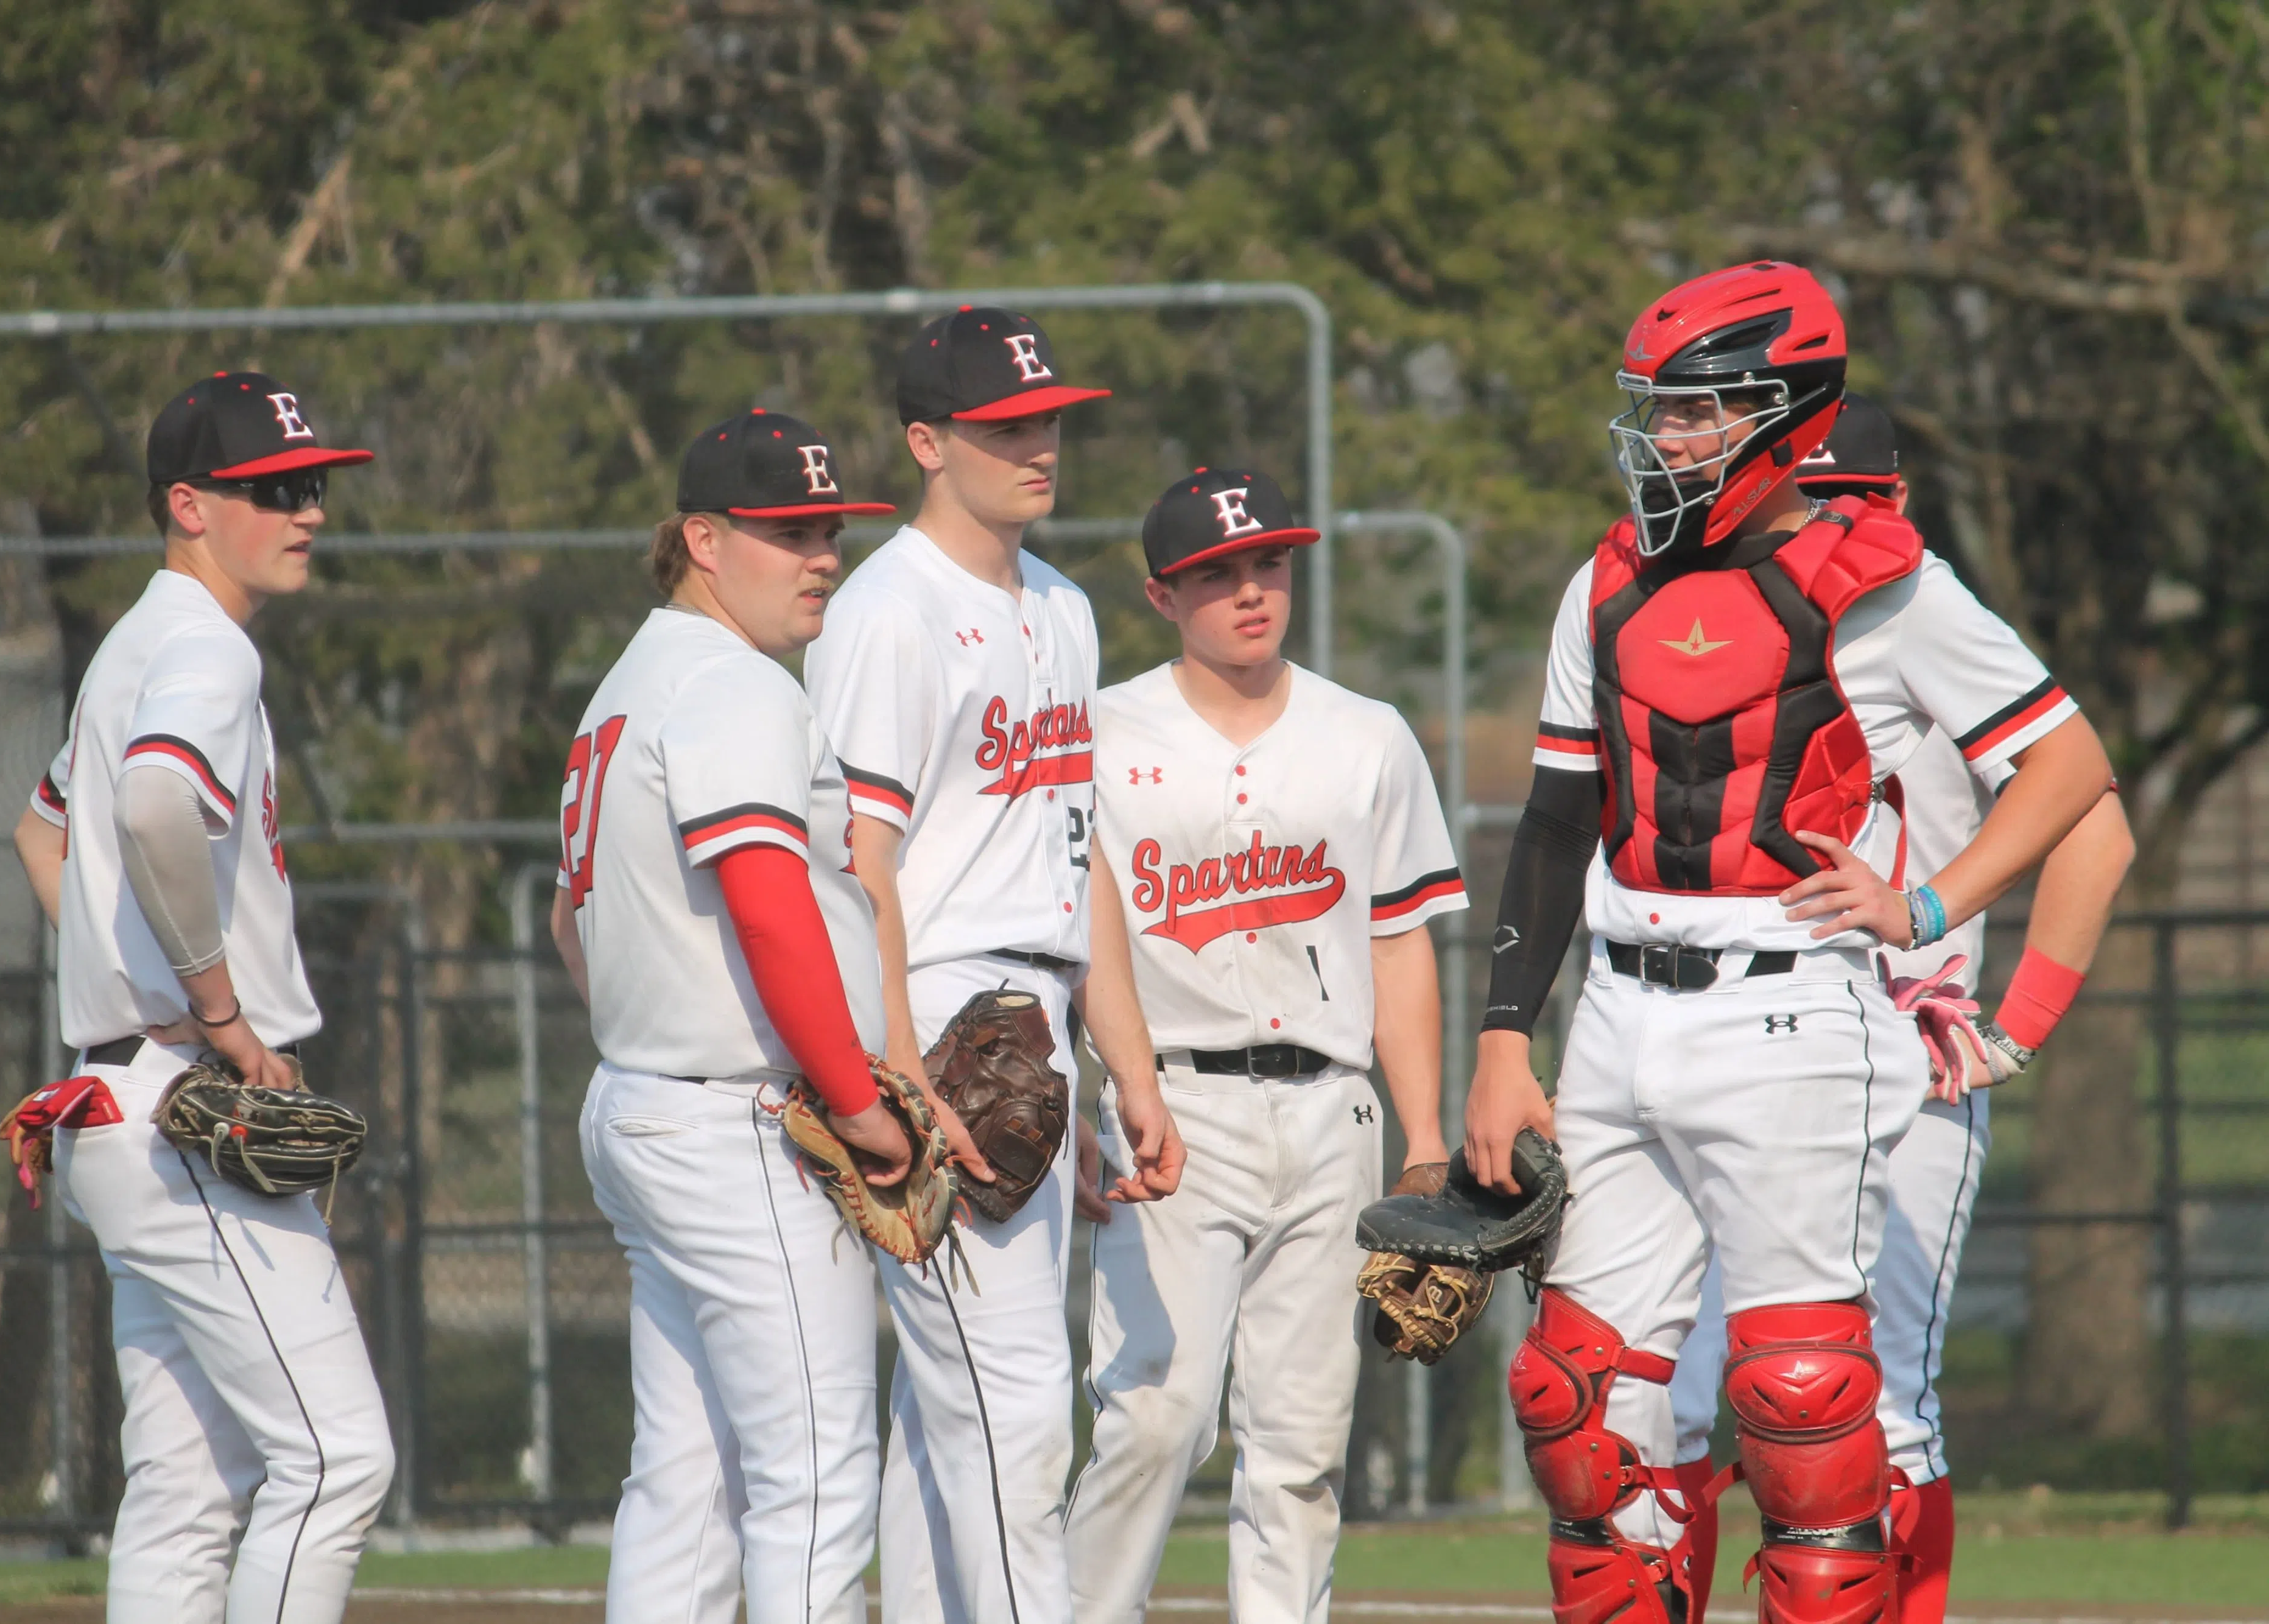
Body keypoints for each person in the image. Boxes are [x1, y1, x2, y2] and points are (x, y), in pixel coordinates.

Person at [1464, 262, 2116, 1624]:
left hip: (1789, 1014)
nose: (1666, 441)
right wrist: (1500, 1037)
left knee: (1801, 1408)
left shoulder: (1880, 579)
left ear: (1779, 415)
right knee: (1576, 1410)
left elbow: (2067, 772)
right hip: (1618, 1010)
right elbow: (1548, 821)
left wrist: (1928, 905)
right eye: (1658, 414)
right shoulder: (1605, 577)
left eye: (1695, 415)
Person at [1662, 398, 2137, 1624]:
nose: (1834, 521)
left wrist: (2013, 1025)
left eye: (1855, 496)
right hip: (1728, 1050)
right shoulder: (1714, 627)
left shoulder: (1925, 629)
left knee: (1875, 1408)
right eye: (1812, 495)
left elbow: (2097, 830)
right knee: (1663, 1388)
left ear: (1897, 505)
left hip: (1898, 1058)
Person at [804, 306, 1185, 1624]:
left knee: (945, 1414)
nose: (1038, 445)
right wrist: (897, 1073)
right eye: (1002, 427)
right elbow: (862, 862)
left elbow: (1078, 857)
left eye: (1049, 420)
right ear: (926, 442)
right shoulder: (889, 611)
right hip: (938, 1007)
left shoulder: (1065, 607)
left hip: (1036, 1011)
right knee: (1014, 1405)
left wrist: (1120, 1064)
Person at [10, 371, 394, 1624]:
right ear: (187, 504)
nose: (310, 510)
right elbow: (155, 802)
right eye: (274, 490)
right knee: (337, 1457)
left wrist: (120, 987)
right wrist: (214, 1014)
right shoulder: (204, 648)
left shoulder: (134, 643)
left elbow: (38, 832)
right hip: (181, 1103)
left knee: (187, 1485)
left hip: (121, 1098)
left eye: (315, 485)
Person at [1063, 468, 1467, 1624]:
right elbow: (1078, 945)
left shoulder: (1365, 736)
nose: (1251, 589)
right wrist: (1100, 1093)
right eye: (1217, 573)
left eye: (1270, 563)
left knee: (1300, 1440)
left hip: (1333, 1108)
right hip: (1173, 1105)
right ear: (1161, 593)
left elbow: (1401, 948)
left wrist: (1427, 1143)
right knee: (1158, 1412)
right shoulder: (1102, 732)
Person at [549, 410, 910, 1624]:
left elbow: (568, 923)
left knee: (685, 1483)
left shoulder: (629, 683)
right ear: (702, 539)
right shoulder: (733, 688)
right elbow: (769, 907)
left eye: (828, 529)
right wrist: (857, 1104)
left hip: (644, 1108)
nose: (819, 554)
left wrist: (662, 1031)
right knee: (813, 1476)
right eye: (784, 532)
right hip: (735, 1123)